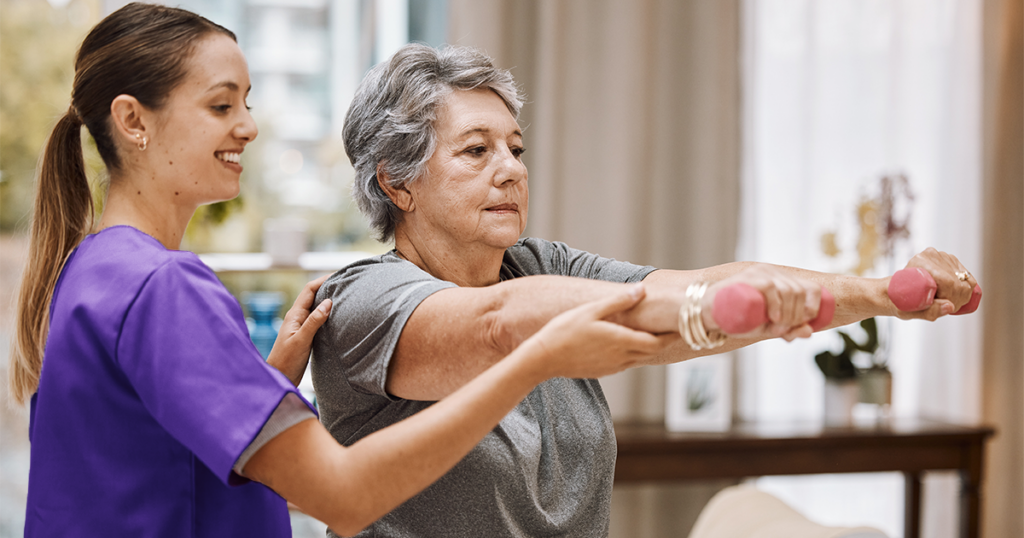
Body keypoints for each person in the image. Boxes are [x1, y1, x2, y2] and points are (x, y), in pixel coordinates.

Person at [8, 5, 678, 537]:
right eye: (221, 105)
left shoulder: (95, 266)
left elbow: (147, 466)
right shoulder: (164, 288)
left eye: (247, 101)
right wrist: (534, 362)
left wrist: (264, 383)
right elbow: (347, 498)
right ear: (133, 122)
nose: (250, 127)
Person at [311, 43, 981, 537]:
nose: (511, 169)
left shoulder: (538, 263)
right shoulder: (365, 301)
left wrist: (889, 294)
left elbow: (702, 285)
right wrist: (706, 312)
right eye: (477, 151)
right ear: (397, 184)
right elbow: (498, 325)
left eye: (516, 148)